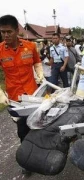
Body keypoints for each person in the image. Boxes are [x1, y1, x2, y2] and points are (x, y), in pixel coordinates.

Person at [0, 14, 44, 174]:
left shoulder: (30, 46)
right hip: (15, 99)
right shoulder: (0, 50)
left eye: (9, 32)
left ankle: (39, 153)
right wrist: (0, 93)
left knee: (37, 125)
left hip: (33, 95)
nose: (5, 35)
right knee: (22, 130)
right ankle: (27, 162)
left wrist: (40, 73)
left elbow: (37, 62)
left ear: (17, 30)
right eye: (2, 32)